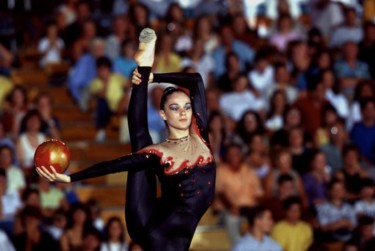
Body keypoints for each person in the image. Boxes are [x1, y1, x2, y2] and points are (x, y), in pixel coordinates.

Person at [36, 28, 215, 251]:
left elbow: (196, 81)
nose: (183, 113)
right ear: (163, 114)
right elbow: (116, 165)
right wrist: (72, 179)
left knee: (142, 143)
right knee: (140, 141)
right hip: (151, 225)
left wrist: (154, 78)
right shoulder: (161, 152)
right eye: (175, 107)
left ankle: (144, 68)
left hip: (154, 221)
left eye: (187, 107)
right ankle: (143, 66)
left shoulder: (200, 135)